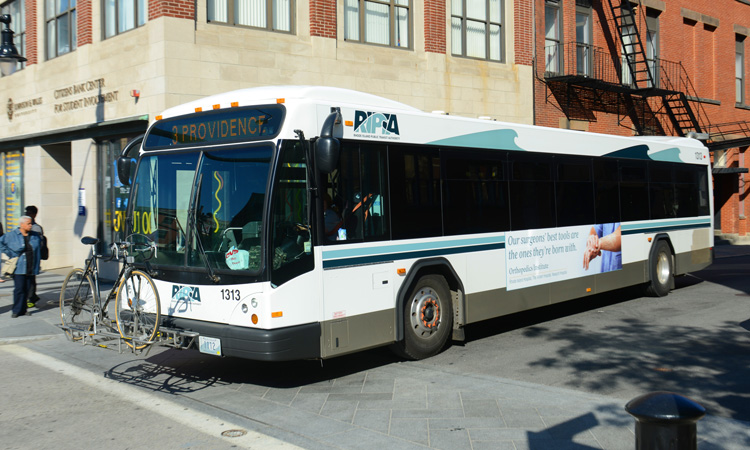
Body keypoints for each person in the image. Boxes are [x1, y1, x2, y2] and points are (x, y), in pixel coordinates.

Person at [0, 216, 42, 318]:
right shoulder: (12, 235)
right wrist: (10, 253)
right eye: (28, 224)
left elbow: (40, 247)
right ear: (21, 224)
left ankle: (24, 309)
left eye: (31, 223)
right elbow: (1, 243)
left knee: (27, 289)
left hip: (31, 266)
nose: (30, 225)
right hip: (19, 267)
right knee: (19, 289)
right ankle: (16, 310)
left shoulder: (35, 235)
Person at [24, 206, 45, 308]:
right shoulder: (24, 224)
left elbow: (39, 244)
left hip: (33, 257)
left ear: (34, 214)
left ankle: (31, 298)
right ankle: (32, 296)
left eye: (30, 213)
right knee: (27, 278)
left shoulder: (36, 228)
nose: (27, 214)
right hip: (25, 257)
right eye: (26, 212)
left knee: (31, 278)